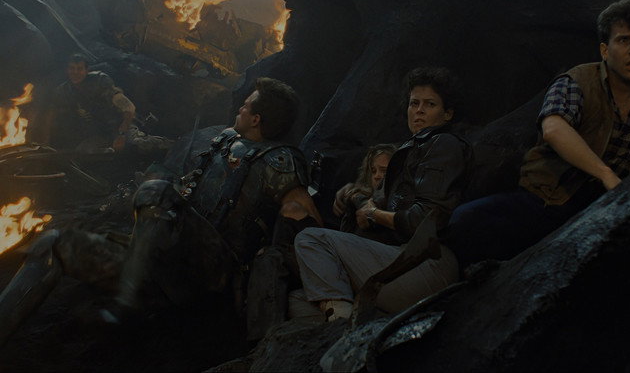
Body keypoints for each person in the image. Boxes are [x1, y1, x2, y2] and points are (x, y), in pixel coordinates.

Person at [0, 77, 322, 346]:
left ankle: (127, 299)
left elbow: (304, 220)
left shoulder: (280, 161)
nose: (240, 108)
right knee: (53, 244)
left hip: (209, 273)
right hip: (159, 266)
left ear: (256, 119)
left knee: (156, 190)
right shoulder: (226, 139)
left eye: (247, 105)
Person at [445, 0, 630, 268]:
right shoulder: (578, 81)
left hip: (615, 209)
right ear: (605, 50)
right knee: (466, 221)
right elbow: (554, 128)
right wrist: (605, 174)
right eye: (623, 40)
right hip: (550, 199)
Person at [294, 67, 473, 321]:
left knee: (311, 240)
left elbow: (423, 219)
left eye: (430, 104)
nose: (419, 110)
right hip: (403, 260)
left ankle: (342, 326)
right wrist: (355, 194)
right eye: (414, 103)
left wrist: (374, 213)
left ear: (448, 113)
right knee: (300, 301)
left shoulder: (443, 144)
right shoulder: (413, 149)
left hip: (426, 262)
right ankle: (350, 327)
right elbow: (376, 205)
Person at [47, 53, 170, 154]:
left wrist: (121, 135)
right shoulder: (64, 91)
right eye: (72, 68)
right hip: (100, 133)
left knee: (138, 144)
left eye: (79, 69)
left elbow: (129, 108)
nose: (75, 72)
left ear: (86, 70)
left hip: (121, 125)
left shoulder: (99, 81)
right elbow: (54, 115)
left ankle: (168, 145)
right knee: (84, 152)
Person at [333, 143, 397, 239]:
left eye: (384, 171)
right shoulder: (362, 195)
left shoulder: (395, 206)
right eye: (373, 171)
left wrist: (356, 197)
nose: (377, 176)